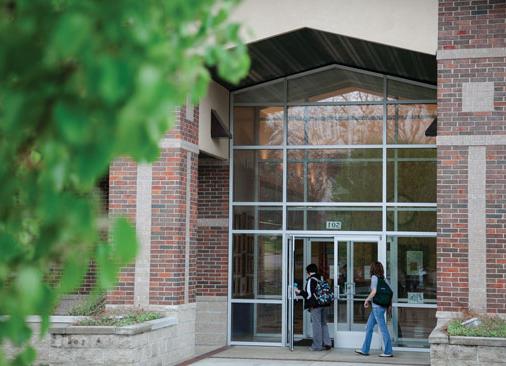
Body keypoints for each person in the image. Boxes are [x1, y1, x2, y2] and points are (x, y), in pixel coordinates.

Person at [355, 261, 393, 358]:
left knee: (383, 329)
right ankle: (365, 350)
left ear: (373, 269)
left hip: (377, 307)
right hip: (381, 307)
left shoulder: (374, 278)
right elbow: (390, 292)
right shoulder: (383, 279)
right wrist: (389, 305)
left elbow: (374, 291)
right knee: (369, 327)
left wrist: (367, 299)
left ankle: (388, 351)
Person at [294, 263, 332, 351]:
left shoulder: (311, 280)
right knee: (323, 324)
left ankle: (317, 346)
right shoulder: (321, 278)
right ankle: (327, 343)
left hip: (316, 305)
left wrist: (298, 291)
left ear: (308, 272)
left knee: (316, 325)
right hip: (324, 303)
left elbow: (308, 295)